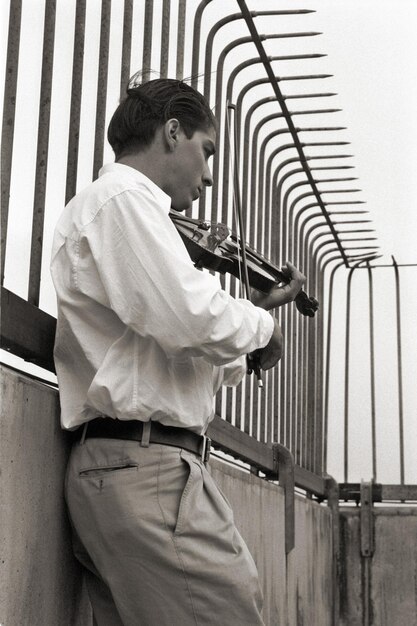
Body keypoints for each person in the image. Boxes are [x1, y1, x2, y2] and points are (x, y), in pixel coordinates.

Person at [51, 74, 305, 626]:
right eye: (206, 150)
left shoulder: (130, 213)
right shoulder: (123, 200)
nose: (210, 175)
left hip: (132, 467)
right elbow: (189, 315)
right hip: (149, 472)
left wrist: (251, 320)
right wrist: (261, 327)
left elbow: (173, 350)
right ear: (172, 132)